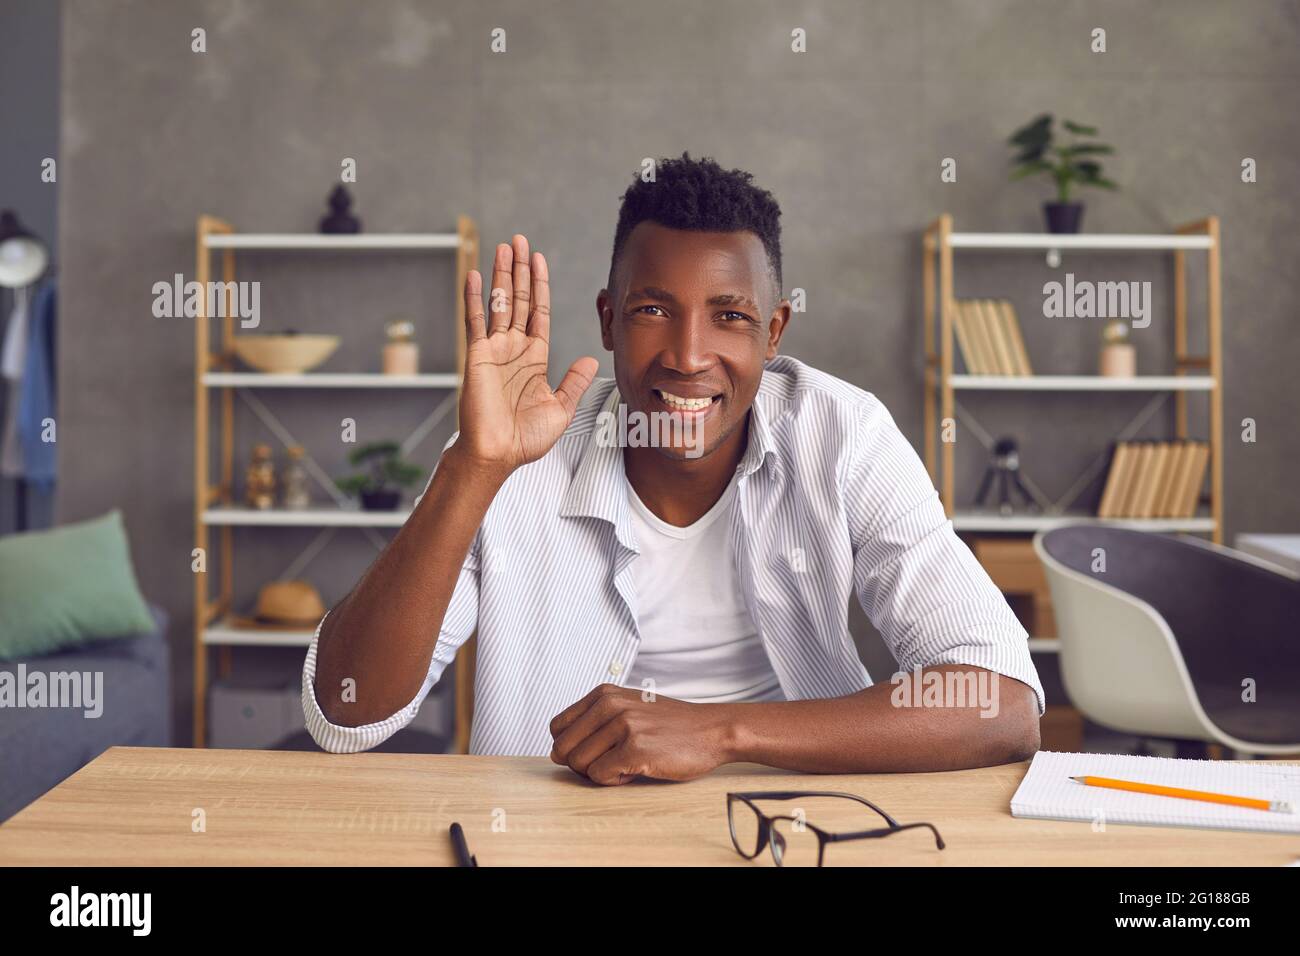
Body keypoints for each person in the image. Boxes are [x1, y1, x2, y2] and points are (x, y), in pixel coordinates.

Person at [303, 153, 1043, 785]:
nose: (689, 356)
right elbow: (345, 712)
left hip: (798, 828)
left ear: (774, 331)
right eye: (654, 310)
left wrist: (722, 733)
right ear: (607, 319)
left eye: (730, 316)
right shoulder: (512, 453)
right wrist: (472, 470)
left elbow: (1002, 705)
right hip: (553, 833)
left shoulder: (844, 434)